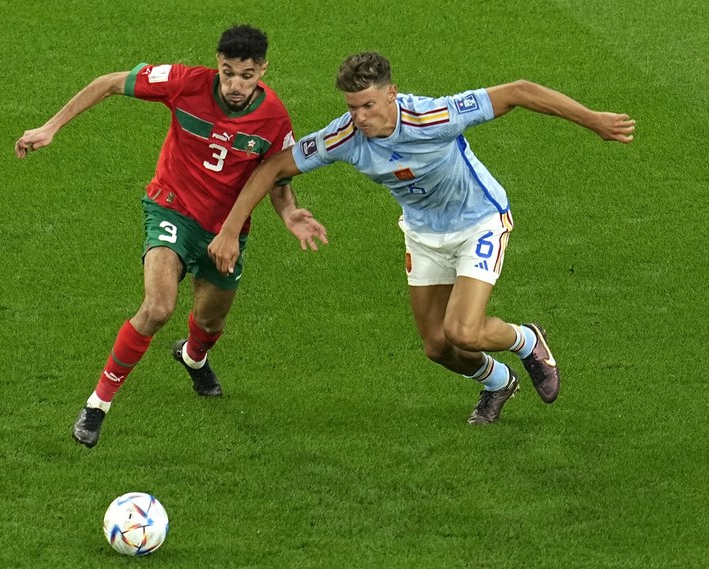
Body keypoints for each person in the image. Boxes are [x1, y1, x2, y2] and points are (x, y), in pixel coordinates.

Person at [209, 52, 635, 425]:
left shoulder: (435, 117)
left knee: (462, 332)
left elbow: (520, 91)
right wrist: (234, 228)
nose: (358, 117)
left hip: (479, 223)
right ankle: (499, 383)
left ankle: (526, 340)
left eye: (368, 106)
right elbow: (272, 168)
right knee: (437, 347)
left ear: (392, 94)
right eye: (352, 107)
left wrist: (593, 120)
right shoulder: (346, 137)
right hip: (424, 235)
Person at [15, 25, 328, 447]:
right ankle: (97, 405)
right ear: (217, 64)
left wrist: (289, 213)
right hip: (170, 208)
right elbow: (109, 83)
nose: (235, 85)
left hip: (225, 231)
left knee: (210, 319)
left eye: (247, 75)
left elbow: (274, 176)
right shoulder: (184, 82)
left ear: (264, 70)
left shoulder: (275, 118)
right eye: (228, 72)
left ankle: (193, 356)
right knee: (158, 307)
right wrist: (51, 127)